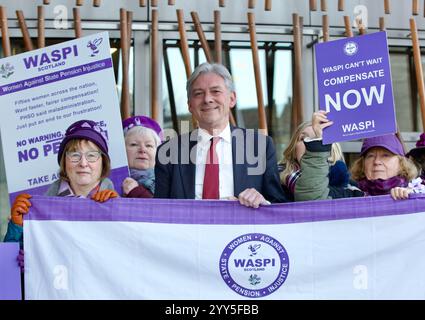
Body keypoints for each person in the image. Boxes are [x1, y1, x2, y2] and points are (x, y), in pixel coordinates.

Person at [154, 62, 289, 207]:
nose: (207, 99)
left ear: (232, 99)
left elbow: (278, 204)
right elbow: (159, 211)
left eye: (215, 91)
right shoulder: (168, 152)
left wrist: (263, 202)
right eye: (198, 93)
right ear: (190, 105)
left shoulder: (260, 146)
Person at [3, 119, 118, 248]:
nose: (83, 163)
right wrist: (17, 228)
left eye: (91, 155)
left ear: (103, 163)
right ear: (64, 162)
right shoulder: (38, 209)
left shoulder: (118, 202)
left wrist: (119, 213)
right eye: (75, 155)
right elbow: (11, 261)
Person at [294, 111, 420, 201]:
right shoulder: (351, 194)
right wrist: (319, 139)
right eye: (370, 156)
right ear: (362, 164)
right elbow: (311, 198)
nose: (377, 162)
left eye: (386, 155)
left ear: (401, 163)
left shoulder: (417, 190)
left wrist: (416, 197)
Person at [279, 120, 354, 201]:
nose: (311, 145)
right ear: (293, 150)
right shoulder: (276, 183)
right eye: (303, 138)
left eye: (317, 139)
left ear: (332, 149)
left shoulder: (350, 188)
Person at [122, 115, 163, 198]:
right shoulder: (109, 182)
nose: (142, 150)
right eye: (134, 144)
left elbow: (163, 210)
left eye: (149, 145)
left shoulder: (167, 183)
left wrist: (136, 191)